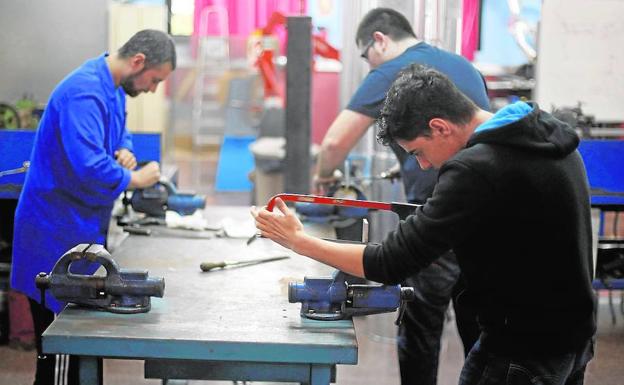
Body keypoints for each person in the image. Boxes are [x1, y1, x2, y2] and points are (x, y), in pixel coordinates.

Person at [252, 64, 596, 385]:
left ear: (440, 126)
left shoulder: (476, 168)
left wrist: (299, 240)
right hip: (573, 338)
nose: (425, 165)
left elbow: (389, 262)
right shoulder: (549, 138)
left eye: (417, 152)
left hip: (523, 350)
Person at [313, 8, 488, 384]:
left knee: (421, 321)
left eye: (365, 56)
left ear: (380, 40)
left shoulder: (390, 72)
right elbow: (464, 139)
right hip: (482, 213)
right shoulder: (464, 67)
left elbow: (333, 142)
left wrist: (323, 177)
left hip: (435, 216)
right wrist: (407, 164)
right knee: (478, 320)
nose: (368, 66)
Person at [10, 29, 176, 385]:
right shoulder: (84, 92)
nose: (152, 88)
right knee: (61, 356)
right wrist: (136, 179)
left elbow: (119, 136)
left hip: (79, 230)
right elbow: (87, 165)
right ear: (138, 62)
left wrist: (124, 152)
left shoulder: (112, 91)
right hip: (52, 234)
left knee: (82, 351)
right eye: (155, 79)